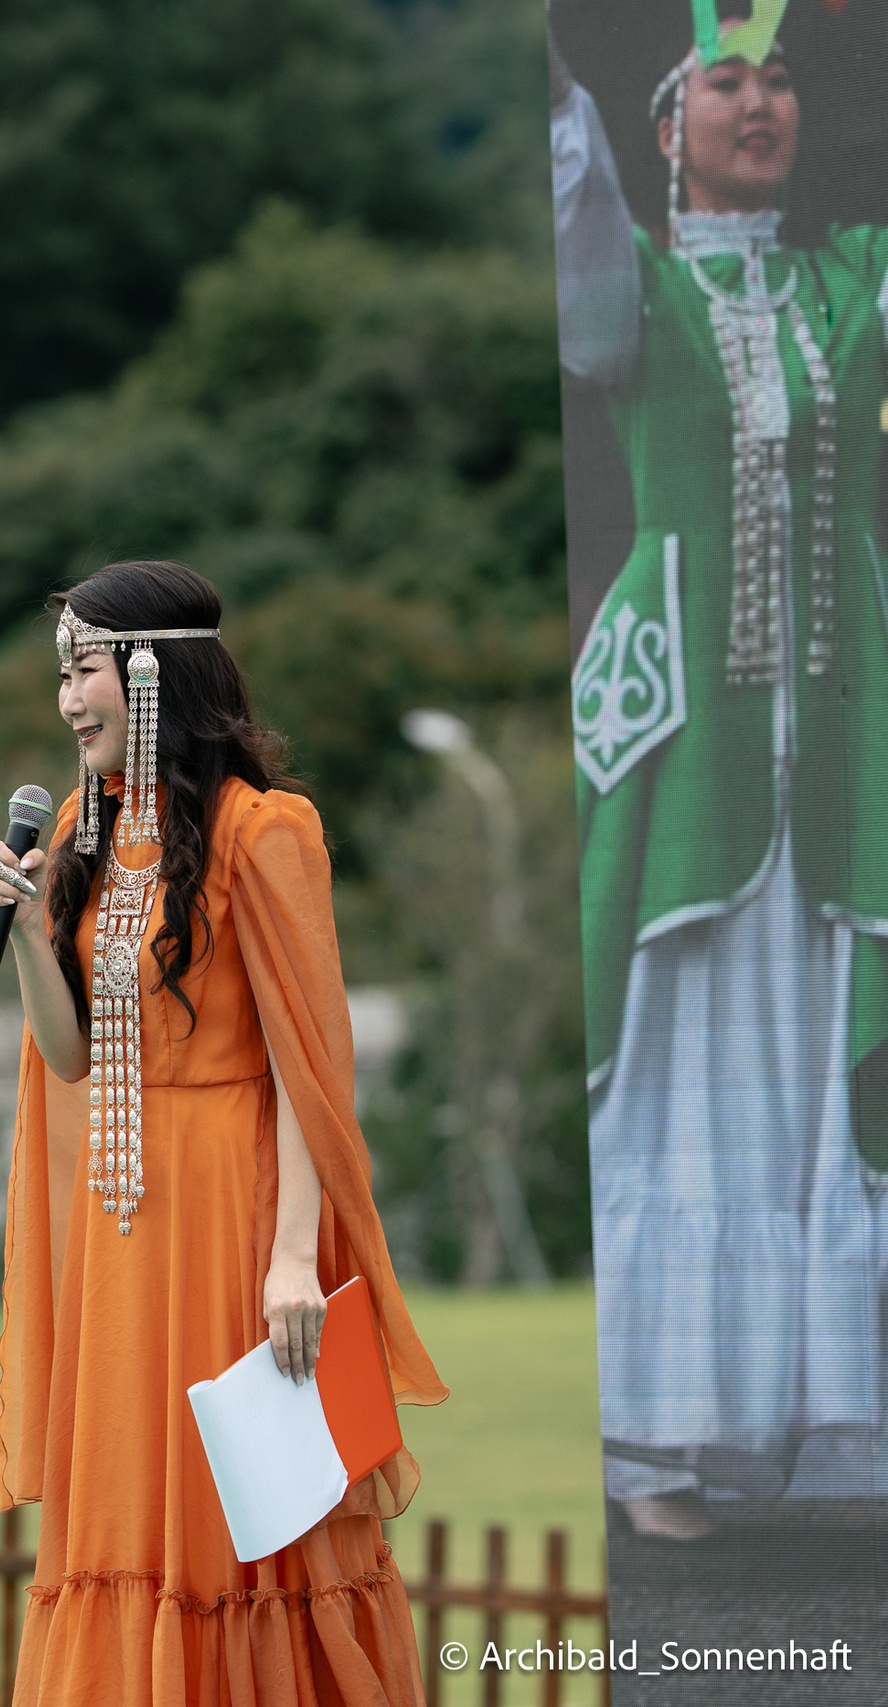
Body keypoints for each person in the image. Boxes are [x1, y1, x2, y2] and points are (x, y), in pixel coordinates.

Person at [0, 559, 446, 1704]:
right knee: (128, 1511)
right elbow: (72, 1056)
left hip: (234, 1222)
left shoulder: (264, 830)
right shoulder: (84, 827)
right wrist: (32, 930)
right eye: (61, 674)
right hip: (120, 1240)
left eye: (81, 671)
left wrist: (292, 1256)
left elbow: (304, 1069)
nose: (65, 700)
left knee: (246, 1514)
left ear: (147, 676)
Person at [552, 0, 888, 1539]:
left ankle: (797, 1408)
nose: (761, 106)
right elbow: (578, 235)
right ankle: (654, 1438)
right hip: (682, 731)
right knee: (673, 1053)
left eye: (781, 85)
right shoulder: (642, 293)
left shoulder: (853, 283)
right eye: (728, 83)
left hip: (832, 739)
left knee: (812, 1058)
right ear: (672, 120)